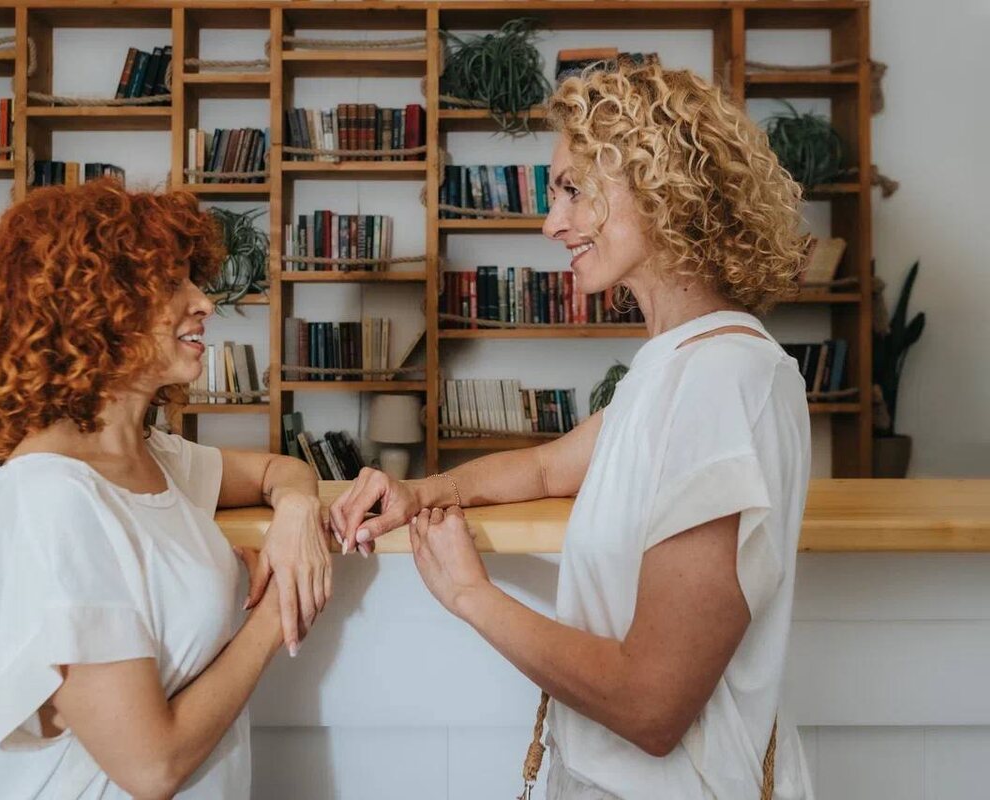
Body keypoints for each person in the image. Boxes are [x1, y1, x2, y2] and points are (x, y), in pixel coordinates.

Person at [330, 63, 814, 799]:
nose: (551, 223)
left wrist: (470, 595)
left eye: (573, 189)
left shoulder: (720, 383)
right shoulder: (676, 367)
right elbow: (546, 469)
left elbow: (651, 705)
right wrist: (418, 491)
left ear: (660, 187)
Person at [0, 180, 332, 799]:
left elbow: (278, 471)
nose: (204, 302)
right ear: (98, 305)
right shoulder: (49, 496)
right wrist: (275, 611)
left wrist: (297, 512)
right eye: (173, 284)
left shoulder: (151, 456)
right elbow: (152, 766)